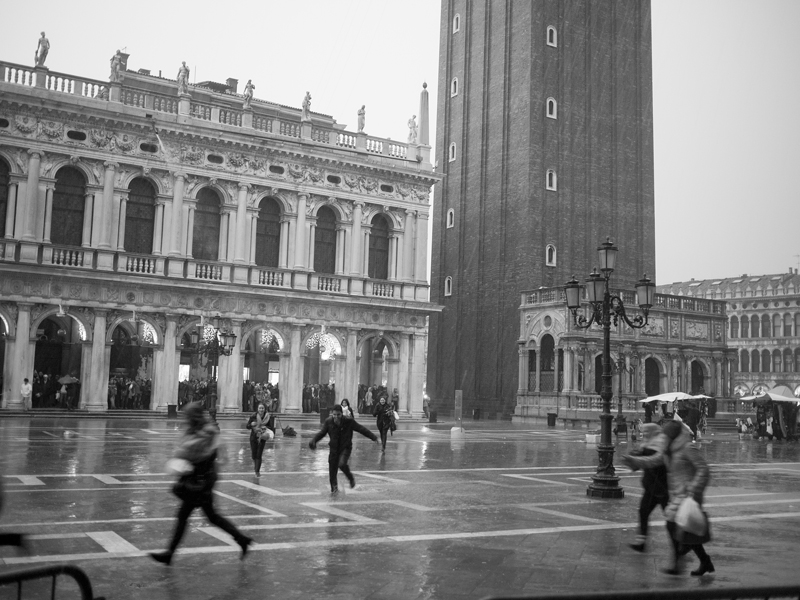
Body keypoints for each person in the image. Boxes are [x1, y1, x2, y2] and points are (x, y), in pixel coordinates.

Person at [150, 403, 252, 565]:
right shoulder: (200, 431)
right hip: (200, 480)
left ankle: (170, 554)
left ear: (193, 418)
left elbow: (193, 452)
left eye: (187, 417)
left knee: (185, 515)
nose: (185, 420)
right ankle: (242, 539)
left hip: (201, 483)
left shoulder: (207, 432)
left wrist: (185, 457)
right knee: (210, 516)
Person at [622, 420, 714, 576]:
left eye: (666, 436)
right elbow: (653, 461)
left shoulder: (687, 448)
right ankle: (704, 561)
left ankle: (677, 562)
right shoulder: (668, 450)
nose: (663, 439)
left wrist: (693, 488)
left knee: (673, 525)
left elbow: (703, 470)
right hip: (677, 494)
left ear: (673, 437)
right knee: (686, 530)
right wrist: (634, 461)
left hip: (689, 494)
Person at [309, 404, 378, 493]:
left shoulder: (349, 421)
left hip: (345, 447)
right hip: (333, 449)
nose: (336, 417)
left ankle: (350, 478)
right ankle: (334, 490)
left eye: (338, 415)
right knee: (332, 472)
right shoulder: (328, 421)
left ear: (342, 414)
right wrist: (314, 440)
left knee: (341, 464)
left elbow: (361, 429)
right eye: (334, 415)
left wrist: (374, 437)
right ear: (331, 414)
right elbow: (322, 433)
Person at [623, 423, 669, 552]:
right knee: (643, 512)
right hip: (650, 486)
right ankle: (641, 541)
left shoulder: (660, 443)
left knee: (671, 518)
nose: (644, 434)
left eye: (646, 432)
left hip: (662, 487)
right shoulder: (646, 443)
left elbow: (653, 460)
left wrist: (635, 459)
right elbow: (639, 463)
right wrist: (632, 460)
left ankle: (685, 544)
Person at [247, 403, 275, 477]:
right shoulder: (253, 416)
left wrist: (265, 427)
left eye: (262, 408)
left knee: (259, 455)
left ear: (264, 409)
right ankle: (256, 465)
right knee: (254, 454)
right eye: (260, 408)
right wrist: (251, 424)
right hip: (253, 437)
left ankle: (257, 471)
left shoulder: (267, 417)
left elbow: (271, 427)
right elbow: (247, 426)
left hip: (262, 437)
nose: (261, 410)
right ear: (257, 409)